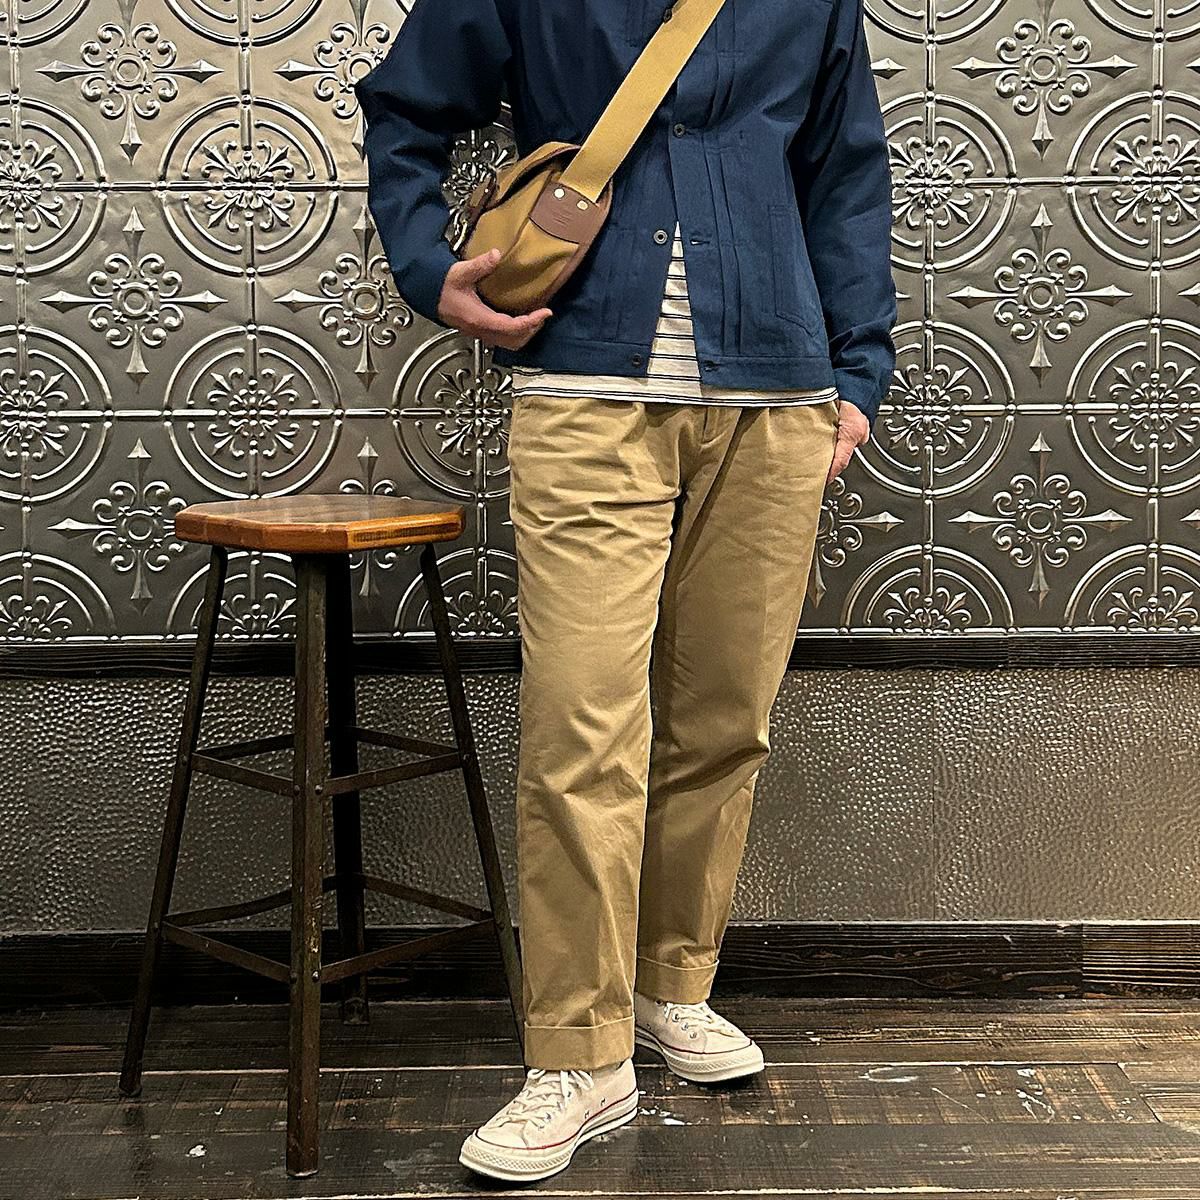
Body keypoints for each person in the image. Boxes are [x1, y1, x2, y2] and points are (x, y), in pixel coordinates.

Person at [356, 0, 896, 1182]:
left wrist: (857, 371)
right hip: (586, 388)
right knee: (582, 727)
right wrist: (429, 268)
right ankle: (579, 1056)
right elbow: (403, 109)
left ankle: (669, 986)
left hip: (777, 392)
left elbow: (845, 167)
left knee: (724, 722)